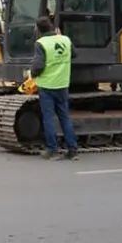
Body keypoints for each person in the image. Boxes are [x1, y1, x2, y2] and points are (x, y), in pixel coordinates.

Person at [32, 16, 78, 160]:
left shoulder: (40, 43)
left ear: (38, 29)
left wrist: (32, 73)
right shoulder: (65, 39)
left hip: (47, 86)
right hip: (63, 84)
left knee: (48, 118)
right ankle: (72, 149)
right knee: (65, 117)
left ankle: (51, 149)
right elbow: (74, 54)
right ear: (52, 26)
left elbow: (38, 66)